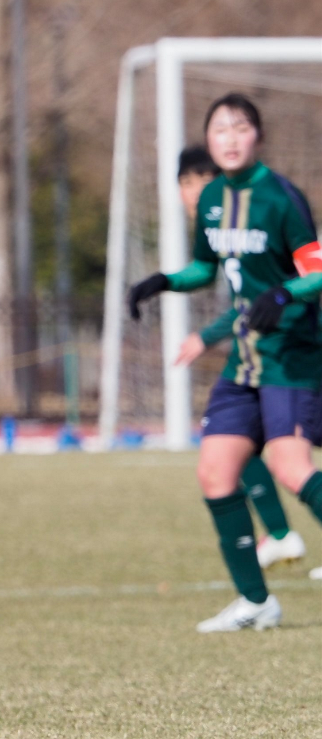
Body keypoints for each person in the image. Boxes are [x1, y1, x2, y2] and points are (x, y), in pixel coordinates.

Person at [129, 93, 322, 632]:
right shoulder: (212, 196)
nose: (231, 138)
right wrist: (163, 282)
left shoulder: (282, 198)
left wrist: (284, 295)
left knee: (290, 467)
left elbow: (318, 271)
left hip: (290, 355)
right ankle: (256, 603)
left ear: (256, 136)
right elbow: (204, 269)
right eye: (221, 129)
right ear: (210, 139)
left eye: (241, 128)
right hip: (244, 363)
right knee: (214, 472)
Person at [174, 145, 305, 570]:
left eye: (203, 183)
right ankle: (278, 541)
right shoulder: (216, 228)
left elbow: (263, 295)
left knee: (290, 464)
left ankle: (282, 535)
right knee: (231, 444)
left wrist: (207, 335)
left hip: (293, 352)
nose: (195, 193)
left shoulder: (266, 208)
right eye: (186, 184)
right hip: (259, 357)